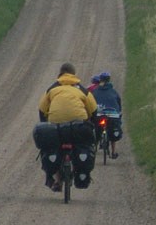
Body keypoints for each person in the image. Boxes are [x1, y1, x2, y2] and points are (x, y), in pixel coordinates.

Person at [37, 63, 97, 192]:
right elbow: (93, 109)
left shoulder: (52, 89)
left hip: (56, 124)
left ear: (60, 74)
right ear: (74, 75)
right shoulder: (82, 89)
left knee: (52, 147)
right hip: (77, 124)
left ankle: (55, 179)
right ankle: (79, 172)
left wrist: (45, 124)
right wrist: (90, 122)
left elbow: (42, 109)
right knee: (80, 145)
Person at [92, 71, 123, 158]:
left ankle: (94, 148)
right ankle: (113, 152)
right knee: (113, 132)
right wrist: (119, 112)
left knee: (95, 129)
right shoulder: (113, 91)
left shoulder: (95, 91)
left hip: (99, 115)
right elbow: (118, 103)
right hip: (112, 115)